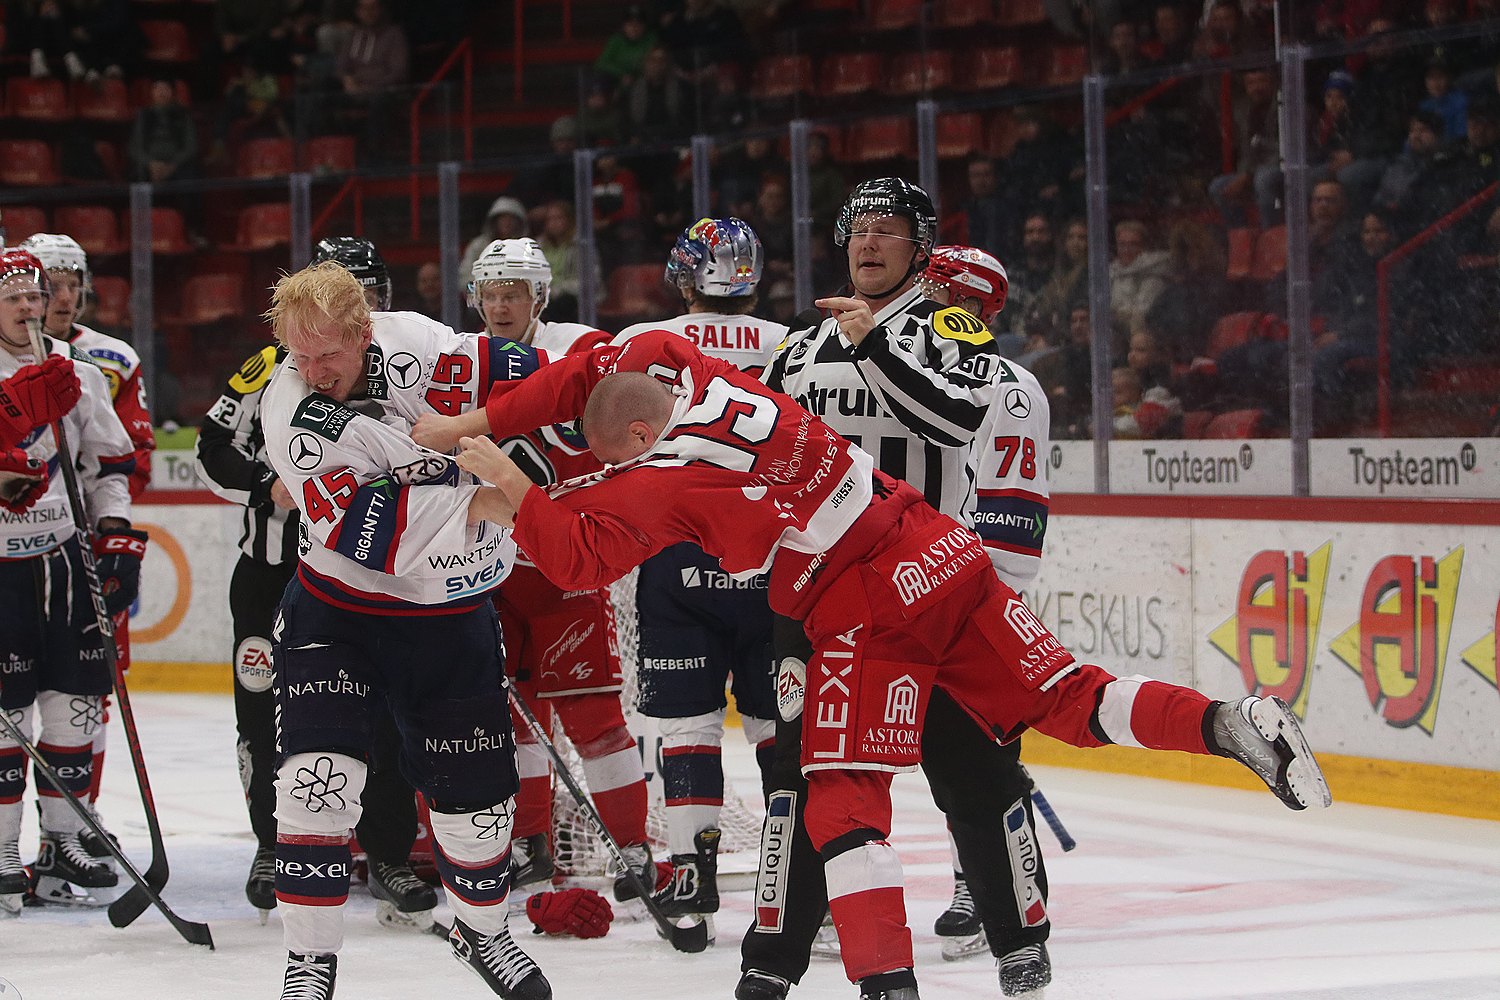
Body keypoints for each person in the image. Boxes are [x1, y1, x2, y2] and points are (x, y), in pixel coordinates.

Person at [439, 325, 1331, 1000]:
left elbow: (578, 559)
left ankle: (886, 986)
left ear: (636, 438)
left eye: (610, 458)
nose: (609, 470)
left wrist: (512, 485)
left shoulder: (661, 472)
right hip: (939, 544)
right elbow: (598, 374)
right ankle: (1229, 724)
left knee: (841, 799)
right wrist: (465, 425)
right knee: (1072, 699)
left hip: (865, 600)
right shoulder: (691, 368)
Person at [754, 185, 1056, 997]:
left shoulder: (952, 330)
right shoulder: (797, 348)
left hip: (930, 591)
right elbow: (761, 456)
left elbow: (958, 423)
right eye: (858, 230)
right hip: (817, 602)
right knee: (799, 780)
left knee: (976, 777)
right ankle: (772, 957)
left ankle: (1018, 934)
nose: (869, 243)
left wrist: (876, 352)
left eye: (890, 231)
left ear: (922, 248)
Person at [258, 261, 550, 1000]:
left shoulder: (418, 341)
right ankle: (309, 962)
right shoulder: (291, 414)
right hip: (342, 613)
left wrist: (583, 400)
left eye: (327, 353)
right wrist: (500, 497)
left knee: (479, 811)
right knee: (313, 789)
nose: (313, 370)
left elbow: (521, 370)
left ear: (365, 332)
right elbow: (369, 532)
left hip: (451, 620)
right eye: (300, 354)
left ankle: (483, 935)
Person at [195, 237, 440, 931]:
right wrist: (267, 483)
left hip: (372, 579)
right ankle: (273, 846)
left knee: (388, 715)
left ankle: (387, 853)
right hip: (273, 578)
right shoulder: (274, 367)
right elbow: (211, 447)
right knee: (265, 712)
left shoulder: (410, 369)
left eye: (366, 295)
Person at [608, 218, 788, 929]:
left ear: (683, 275)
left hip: (675, 557)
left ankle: (691, 876)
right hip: (771, 557)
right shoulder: (792, 342)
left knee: (688, 724)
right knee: (782, 728)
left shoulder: (641, 344)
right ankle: (798, 878)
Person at [464, 237, 652, 903]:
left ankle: (633, 846)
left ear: (540, 295)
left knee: (594, 712)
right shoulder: (465, 356)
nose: (500, 303)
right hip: (489, 563)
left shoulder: (582, 346)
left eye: (513, 291)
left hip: (565, 558)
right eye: (490, 291)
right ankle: (530, 842)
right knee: (516, 717)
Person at [0, 248, 143, 914]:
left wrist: (116, 533)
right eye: (15, 299)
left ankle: (63, 841)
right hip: (1, 566)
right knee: (7, 715)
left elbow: (111, 463)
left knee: (75, 705)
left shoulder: (79, 374)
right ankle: (3, 849)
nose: (30, 308)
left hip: (62, 557)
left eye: (37, 296)